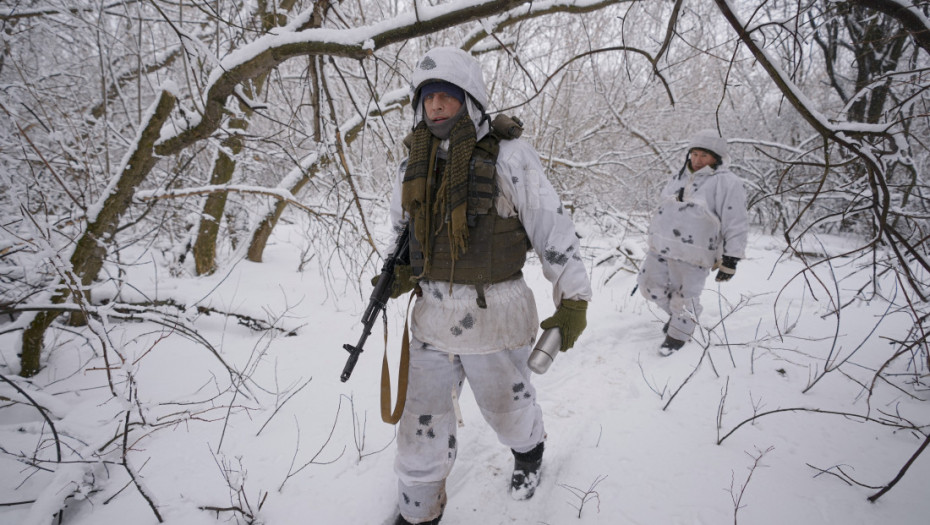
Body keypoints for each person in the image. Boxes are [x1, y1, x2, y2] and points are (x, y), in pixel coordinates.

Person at [382, 47, 593, 525]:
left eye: (446, 96)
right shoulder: (411, 164)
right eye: (427, 97)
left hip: (494, 315)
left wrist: (573, 297)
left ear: (470, 101)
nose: (435, 106)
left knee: (508, 411)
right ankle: (418, 511)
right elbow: (402, 233)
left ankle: (529, 454)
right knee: (420, 427)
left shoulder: (511, 157)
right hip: (432, 315)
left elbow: (552, 230)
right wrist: (393, 274)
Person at [637, 129, 749, 356]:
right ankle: (682, 319)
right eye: (694, 154)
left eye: (704, 156)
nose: (697, 160)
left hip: (695, 252)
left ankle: (678, 335)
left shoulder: (727, 182)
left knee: (685, 296)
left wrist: (731, 257)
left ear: (716, 158)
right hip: (661, 245)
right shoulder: (679, 176)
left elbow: (735, 221)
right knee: (649, 286)